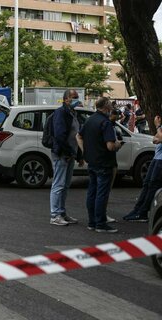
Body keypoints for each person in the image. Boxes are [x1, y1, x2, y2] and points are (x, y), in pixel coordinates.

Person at [76, 97, 122, 233]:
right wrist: (118, 144)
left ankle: (92, 222)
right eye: (110, 105)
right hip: (104, 162)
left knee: (92, 192)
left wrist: (85, 150)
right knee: (102, 193)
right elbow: (110, 146)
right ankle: (100, 223)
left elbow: (78, 136)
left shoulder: (90, 120)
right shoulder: (106, 123)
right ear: (106, 107)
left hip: (92, 161)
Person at [49, 89, 83, 226]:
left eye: (77, 97)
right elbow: (60, 136)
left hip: (70, 154)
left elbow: (77, 136)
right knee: (58, 184)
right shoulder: (61, 113)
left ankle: (61, 213)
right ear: (66, 99)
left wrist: (78, 155)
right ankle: (55, 215)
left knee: (65, 185)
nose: (77, 99)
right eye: (74, 97)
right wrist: (68, 153)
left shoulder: (72, 113)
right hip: (62, 154)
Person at [123, 115, 162, 222]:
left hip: (160, 161)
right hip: (156, 158)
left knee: (153, 185)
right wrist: (159, 135)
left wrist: (158, 127)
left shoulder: (159, 126)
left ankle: (143, 212)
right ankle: (137, 210)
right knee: (146, 184)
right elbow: (155, 139)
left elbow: (160, 138)